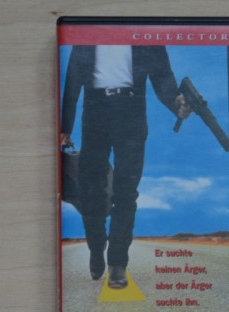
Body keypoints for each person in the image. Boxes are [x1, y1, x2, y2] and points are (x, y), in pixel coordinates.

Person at [60, 45, 190, 288]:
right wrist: (65, 128)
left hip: (132, 114)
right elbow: (74, 77)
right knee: (91, 190)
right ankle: (96, 247)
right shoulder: (90, 32)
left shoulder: (144, 34)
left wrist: (176, 102)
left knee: (126, 193)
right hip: (95, 112)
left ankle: (118, 263)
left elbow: (162, 74)